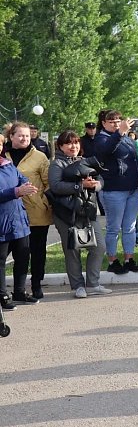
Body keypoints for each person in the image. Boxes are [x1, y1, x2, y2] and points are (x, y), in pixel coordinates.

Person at [48, 130, 112, 298]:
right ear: (60, 146)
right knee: (72, 250)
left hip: (87, 210)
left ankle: (93, 284)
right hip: (66, 213)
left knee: (99, 246)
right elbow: (56, 186)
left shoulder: (85, 160)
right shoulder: (57, 164)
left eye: (76, 142)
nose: (73, 146)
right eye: (69, 143)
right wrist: (80, 185)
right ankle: (77, 286)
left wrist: (96, 185)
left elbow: (100, 180)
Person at [4, 122, 53, 300]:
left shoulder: (39, 156)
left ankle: (36, 284)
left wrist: (43, 202)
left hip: (36, 213)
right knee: (14, 253)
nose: (24, 138)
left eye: (27, 135)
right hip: (10, 214)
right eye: (20, 135)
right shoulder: (3, 156)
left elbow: (48, 183)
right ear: (11, 136)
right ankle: (15, 290)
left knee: (37, 252)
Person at [94, 110, 138, 274]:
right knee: (113, 227)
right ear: (103, 123)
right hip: (114, 190)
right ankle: (112, 260)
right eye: (112, 121)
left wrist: (122, 134)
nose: (116, 124)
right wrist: (120, 132)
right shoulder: (101, 138)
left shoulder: (126, 137)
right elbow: (107, 151)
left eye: (118, 120)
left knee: (130, 227)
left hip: (132, 188)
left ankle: (129, 258)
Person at [0, 123, 40, 308]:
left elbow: (22, 179)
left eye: (0, 144)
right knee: (1, 260)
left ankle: (19, 291)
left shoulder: (7, 164)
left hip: (18, 220)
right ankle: (2, 296)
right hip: (2, 222)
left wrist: (26, 186)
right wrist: (16, 191)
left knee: (23, 256)